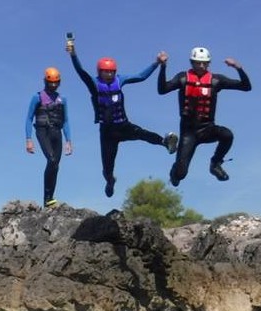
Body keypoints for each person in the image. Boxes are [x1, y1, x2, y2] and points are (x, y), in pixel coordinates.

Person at [66, 41, 178, 197]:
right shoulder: (94, 84)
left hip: (123, 126)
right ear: (100, 72)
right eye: (106, 72)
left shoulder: (120, 80)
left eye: (112, 72)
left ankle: (165, 142)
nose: (110, 75)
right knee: (107, 168)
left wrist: (157, 63)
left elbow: (141, 76)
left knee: (142, 133)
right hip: (107, 133)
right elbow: (81, 71)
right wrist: (73, 54)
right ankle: (110, 181)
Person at [157, 46, 251, 186]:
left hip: (207, 128)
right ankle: (174, 172)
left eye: (205, 63)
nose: (201, 66)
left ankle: (215, 164)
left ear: (208, 63)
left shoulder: (216, 80)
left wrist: (238, 68)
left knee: (227, 135)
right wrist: (163, 67)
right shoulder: (183, 78)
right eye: (197, 63)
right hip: (188, 132)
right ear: (192, 62)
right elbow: (162, 89)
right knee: (181, 174)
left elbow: (245, 86)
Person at [25, 67, 73, 207]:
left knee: (55, 166)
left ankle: (50, 199)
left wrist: (69, 140)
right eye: (50, 83)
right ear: (45, 81)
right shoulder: (37, 97)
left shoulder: (62, 99)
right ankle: (46, 198)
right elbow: (29, 118)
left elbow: (66, 121)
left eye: (56, 83)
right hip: (42, 131)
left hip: (56, 132)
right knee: (51, 160)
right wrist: (28, 139)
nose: (53, 85)